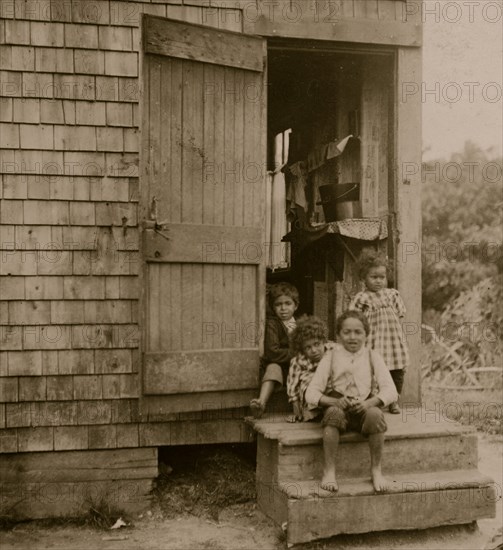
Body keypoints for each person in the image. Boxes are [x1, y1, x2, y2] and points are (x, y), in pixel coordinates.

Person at [305, 310, 397, 493]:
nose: (352, 337)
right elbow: (311, 392)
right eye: (346, 332)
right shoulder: (330, 357)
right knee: (333, 414)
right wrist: (333, 401)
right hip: (339, 406)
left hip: (364, 406)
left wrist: (369, 403)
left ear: (366, 334)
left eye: (358, 332)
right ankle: (329, 471)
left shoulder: (373, 356)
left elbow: (391, 390)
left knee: (376, 415)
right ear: (338, 335)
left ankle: (376, 470)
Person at [349, 251, 409, 414]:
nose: (378, 281)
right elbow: (353, 319)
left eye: (382, 277)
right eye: (373, 277)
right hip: (373, 341)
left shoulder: (392, 294)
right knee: (372, 370)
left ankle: (394, 400)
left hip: (392, 341)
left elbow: (400, 315)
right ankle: (374, 400)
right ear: (363, 278)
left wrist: (398, 336)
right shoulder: (361, 298)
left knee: (396, 370)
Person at [250, 282, 299, 419]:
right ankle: (261, 403)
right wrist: (298, 354)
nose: (283, 308)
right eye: (278, 304)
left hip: (296, 368)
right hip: (279, 366)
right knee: (273, 368)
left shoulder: (300, 324)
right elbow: (272, 352)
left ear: (296, 306)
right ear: (273, 307)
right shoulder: (273, 324)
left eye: (288, 304)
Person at [286, 316, 334, 423]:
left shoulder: (334, 350)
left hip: (332, 391)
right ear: (302, 348)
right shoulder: (298, 360)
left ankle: (332, 410)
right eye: (308, 347)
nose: (314, 350)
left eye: (317, 344)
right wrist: (296, 412)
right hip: (312, 399)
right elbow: (293, 389)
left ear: (323, 340)